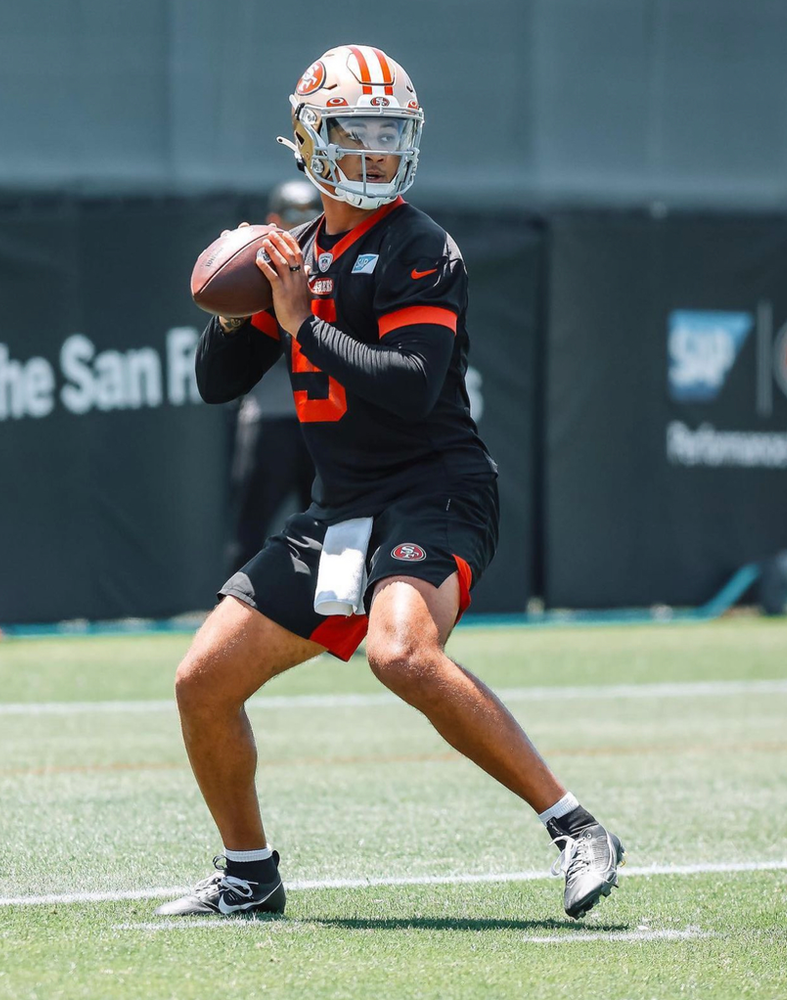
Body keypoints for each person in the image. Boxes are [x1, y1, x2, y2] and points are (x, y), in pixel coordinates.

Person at [159, 44, 624, 921]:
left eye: (387, 135)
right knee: (201, 683)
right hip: (342, 511)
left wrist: (297, 324)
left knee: (401, 651)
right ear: (309, 139)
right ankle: (248, 875)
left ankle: (575, 826)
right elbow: (216, 384)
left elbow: (412, 386)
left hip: (434, 489)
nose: (373, 153)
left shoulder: (420, 245)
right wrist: (236, 313)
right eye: (354, 133)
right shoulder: (291, 255)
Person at [226, 180, 320, 574]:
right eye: (293, 217)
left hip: (320, 419)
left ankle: (334, 629)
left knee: (330, 530)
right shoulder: (253, 270)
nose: (303, 224)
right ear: (273, 221)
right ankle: (230, 623)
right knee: (251, 529)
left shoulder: (333, 264)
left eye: (310, 214)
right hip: (271, 416)